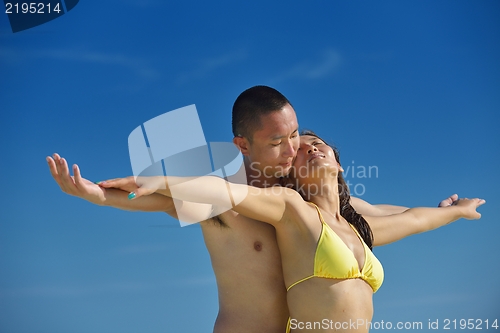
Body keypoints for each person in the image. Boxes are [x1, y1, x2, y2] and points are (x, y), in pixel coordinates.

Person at [47, 86, 458, 333]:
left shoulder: (304, 201)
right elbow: (158, 199)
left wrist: (446, 211)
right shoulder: (225, 198)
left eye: (295, 134)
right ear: (243, 145)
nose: (294, 147)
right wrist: (93, 194)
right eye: (278, 141)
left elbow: (381, 212)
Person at [121, 131, 484, 333]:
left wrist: (456, 213)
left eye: (318, 143)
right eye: (301, 149)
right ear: (289, 175)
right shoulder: (291, 209)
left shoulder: (358, 228)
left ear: (337, 162)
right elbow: (224, 192)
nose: (311, 148)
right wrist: (163, 180)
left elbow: (414, 219)